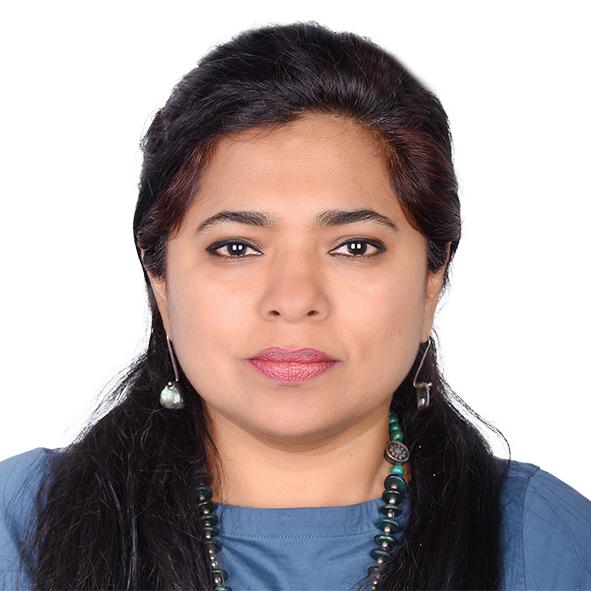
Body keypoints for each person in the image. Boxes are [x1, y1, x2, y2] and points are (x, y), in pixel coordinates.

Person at [1, 20, 590, 591]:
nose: (293, 301)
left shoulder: (542, 541)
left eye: (354, 247)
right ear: (160, 278)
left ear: (432, 278)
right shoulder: (22, 525)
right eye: (237, 247)